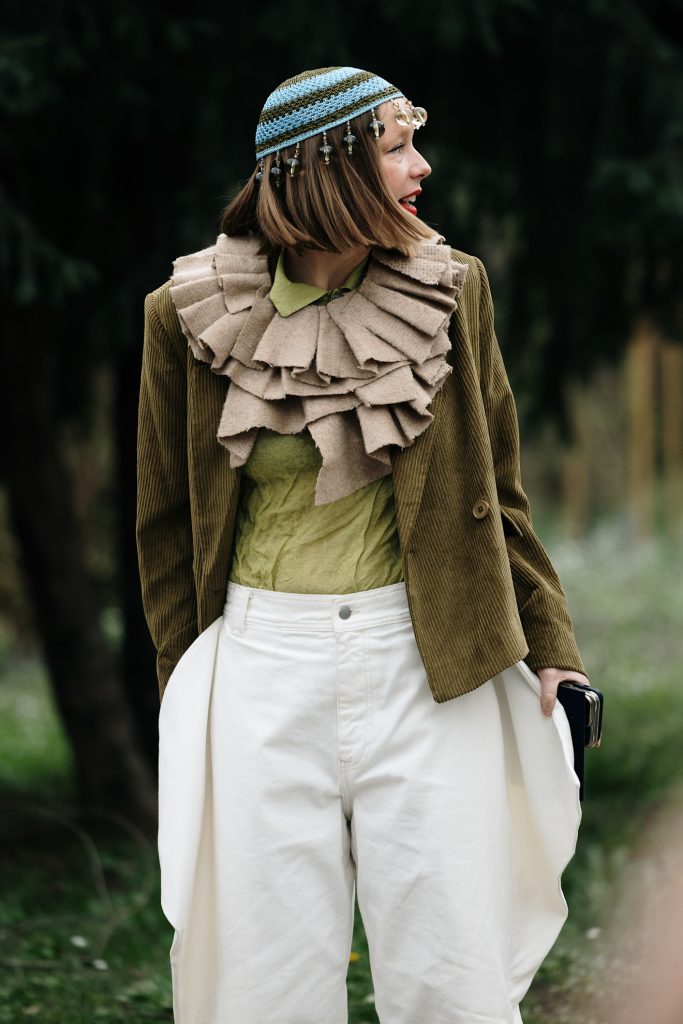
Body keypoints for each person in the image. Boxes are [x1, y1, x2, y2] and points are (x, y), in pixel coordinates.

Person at [136, 66, 590, 1024]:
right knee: (263, 987)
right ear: (325, 168)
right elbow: (166, 524)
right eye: (395, 147)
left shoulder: (452, 289)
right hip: (258, 668)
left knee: (449, 976)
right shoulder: (184, 314)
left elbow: (499, 490)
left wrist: (552, 646)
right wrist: (186, 683)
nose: (421, 167)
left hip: (427, 662)